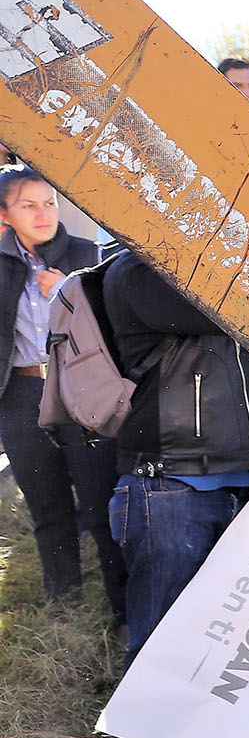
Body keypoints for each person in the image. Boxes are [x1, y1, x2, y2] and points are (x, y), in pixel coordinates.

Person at [102, 246, 249, 738]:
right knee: (160, 645)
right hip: (168, 488)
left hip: (240, 483)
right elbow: (232, 303)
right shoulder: (136, 271)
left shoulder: (202, 262)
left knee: (236, 640)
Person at [0, 164, 125, 621]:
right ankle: (64, 604)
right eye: (27, 205)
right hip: (21, 393)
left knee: (99, 502)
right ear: (4, 215)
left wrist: (67, 292)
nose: (42, 214)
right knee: (46, 503)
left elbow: (113, 328)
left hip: (80, 391)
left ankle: (123, 609)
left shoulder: (86, 254)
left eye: (49, 202)